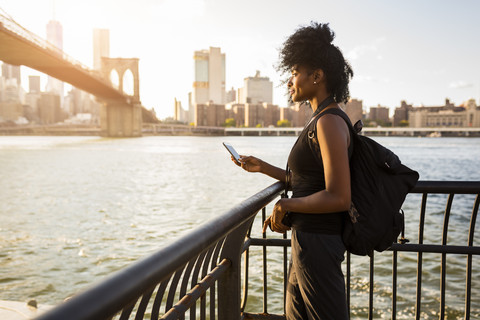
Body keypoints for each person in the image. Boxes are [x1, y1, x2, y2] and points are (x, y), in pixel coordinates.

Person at [233, 22, 354, 319]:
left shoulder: (329, 122)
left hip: (319, 244)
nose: (290, 81)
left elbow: (339, 196)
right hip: (307, 240)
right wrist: (264, 168)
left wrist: (285, 203)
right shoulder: (320, 120)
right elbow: (310, 182)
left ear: (317, 76)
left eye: (295, 72)